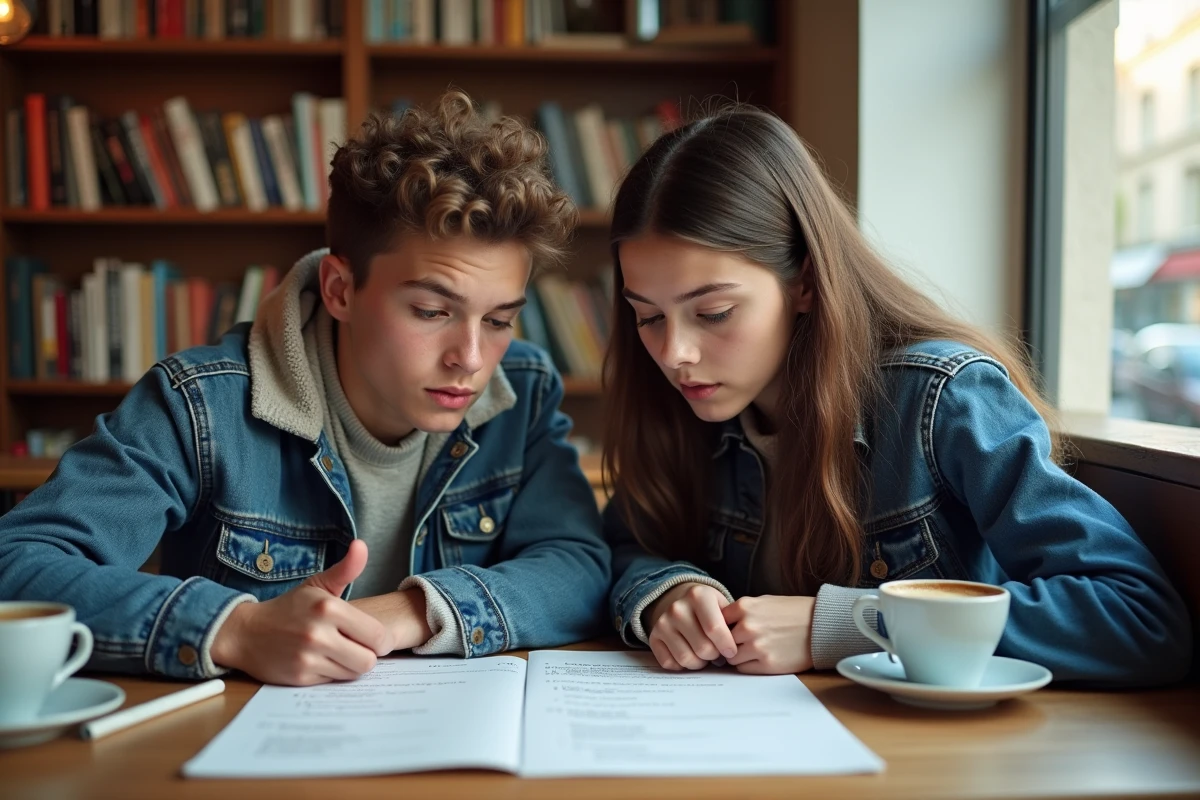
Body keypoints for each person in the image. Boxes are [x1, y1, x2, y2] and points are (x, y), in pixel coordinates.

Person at [0, 91, 609, 686]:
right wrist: (235, 629)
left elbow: (576, 565)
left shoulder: (522, 390)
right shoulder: (200, 403)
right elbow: (19, 564)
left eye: (499, 320)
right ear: (341, 290)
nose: (472, 359)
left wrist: (414, 613)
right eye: (430, 311)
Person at [602, 104, 1191, 685]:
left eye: (714, 312)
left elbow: (1136, 615)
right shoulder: (678, 410)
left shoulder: (943, 401)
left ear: (805, 281)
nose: (674, 352)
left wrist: (843, 626)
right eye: (648, 317)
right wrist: (666, 590)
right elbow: (623, 545)